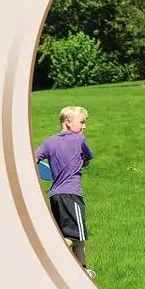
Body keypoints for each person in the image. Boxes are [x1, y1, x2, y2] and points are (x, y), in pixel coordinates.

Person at [35, 106, 96, 277]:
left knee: (79, 235)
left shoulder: (49, 142)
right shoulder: (79, 140)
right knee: (73, 237)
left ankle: (82, 270)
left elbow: (33, 158)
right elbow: (87, 161)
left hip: (55, 196)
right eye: (82, 122)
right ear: (68, 122)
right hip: (72, 195)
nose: (84, 127)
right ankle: (50, 258)